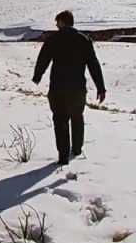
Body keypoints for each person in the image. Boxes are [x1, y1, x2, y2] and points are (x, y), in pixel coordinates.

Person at [32, 10, 105, 165]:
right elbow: (93, 64)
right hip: (77, 89)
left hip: (57, 88)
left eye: (57, 22)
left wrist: (37, 76)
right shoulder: (83, 40)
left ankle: (63, 155)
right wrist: (100, 87)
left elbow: (43, 59)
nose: (56, 25)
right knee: (77, 118)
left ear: (63, 22)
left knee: (60, 120)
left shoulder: (54, 39)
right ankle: (77, 149)